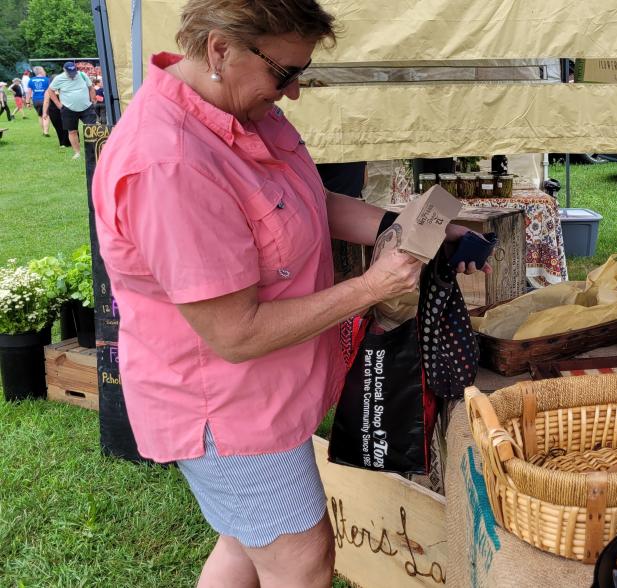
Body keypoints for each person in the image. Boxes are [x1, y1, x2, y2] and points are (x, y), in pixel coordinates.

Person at [91, 1, 489, 585]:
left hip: (261, 394)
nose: (294, 92)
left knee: (243, 538)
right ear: (221, 49)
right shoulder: (169, 163)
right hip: (226, 409)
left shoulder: (237, 110)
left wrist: (402, 227)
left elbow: (306, 201)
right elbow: (235, 333)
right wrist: (371, 287)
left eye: (301, 73)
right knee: (301, 558)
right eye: (285, 73)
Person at [47, 62, 97, 159]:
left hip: (86, 107)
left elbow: (91, 88)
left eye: (73, 71)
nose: (72, 74)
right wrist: (58, 104)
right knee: (72, 131)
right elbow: (50, 90)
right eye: (70, 72)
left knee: (92, 129)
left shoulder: (82, 75)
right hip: (68, 109)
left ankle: (94, 150)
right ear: (64, 70)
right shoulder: (59, 78)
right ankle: (77, 153)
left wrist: (93, 99)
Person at [27, 66, 50, 136]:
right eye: (43, 70)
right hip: (45, 100)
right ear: (41, 71)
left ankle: (43, 131)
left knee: (40, 116)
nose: (44, 71)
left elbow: (29, 92)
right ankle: (46, 132)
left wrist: (28, 102)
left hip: (35, 100)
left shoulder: (31, 80)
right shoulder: (47, 80)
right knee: (46, 115)